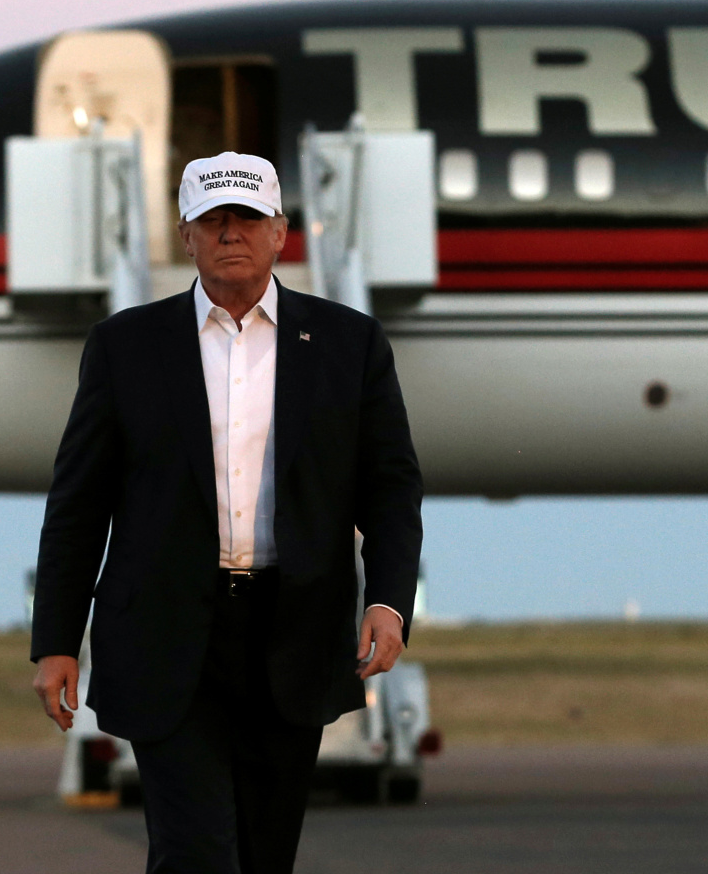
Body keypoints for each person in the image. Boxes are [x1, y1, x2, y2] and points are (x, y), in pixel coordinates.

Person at [29, 150, 424, 874]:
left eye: (247, 217)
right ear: (187, 235)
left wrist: (390, 600)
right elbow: (78, 502)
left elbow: (390, 487)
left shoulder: (347, 343)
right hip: (166, 632)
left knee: (263, 856)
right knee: (196, 853)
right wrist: (56, 638)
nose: (230, 233)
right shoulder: (125, 347)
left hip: (293, 630)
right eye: (213, 219)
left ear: (281, 232)